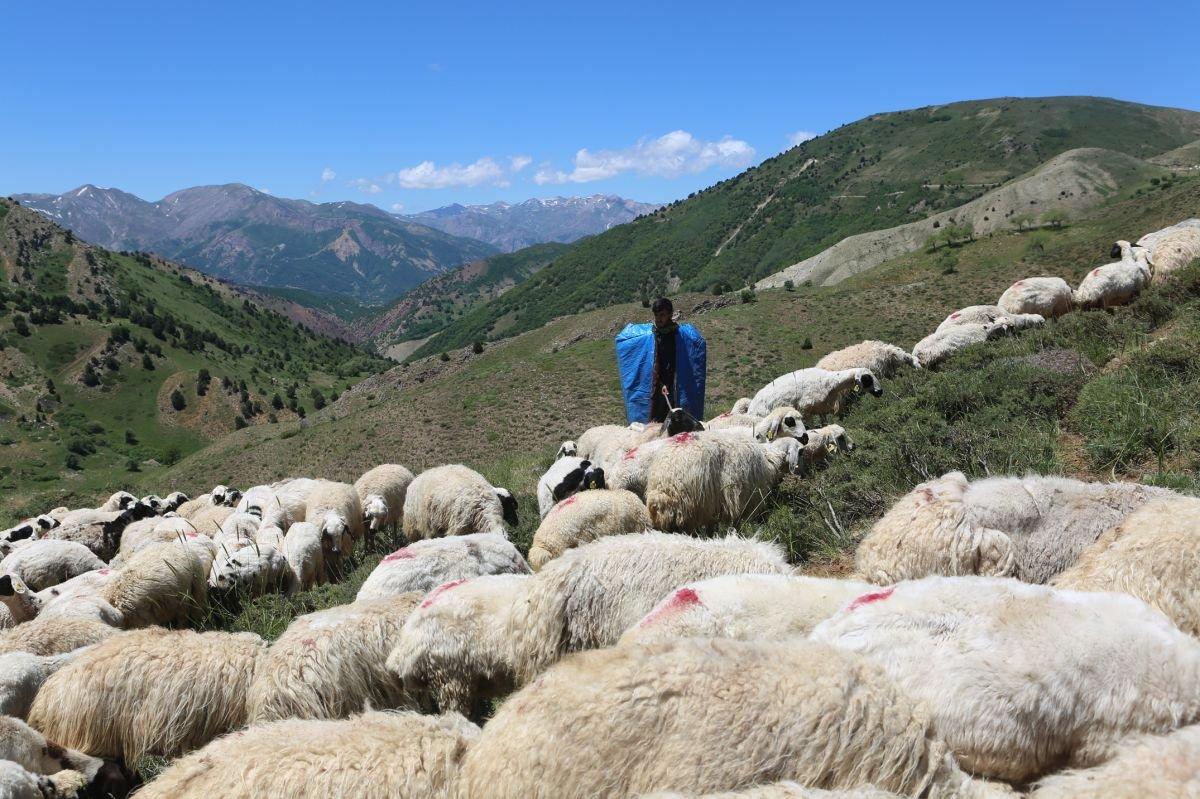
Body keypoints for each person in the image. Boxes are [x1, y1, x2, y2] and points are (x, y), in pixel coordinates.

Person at [649, 297, 677, 422]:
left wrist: (665, 383)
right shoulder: (654, 334)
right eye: (656, 315)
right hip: (656, 382)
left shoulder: (675, 335)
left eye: (662, 315)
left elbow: (671, 363)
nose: (658, 318)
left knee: (667, 416)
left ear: (670, 315)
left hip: (670, 384)